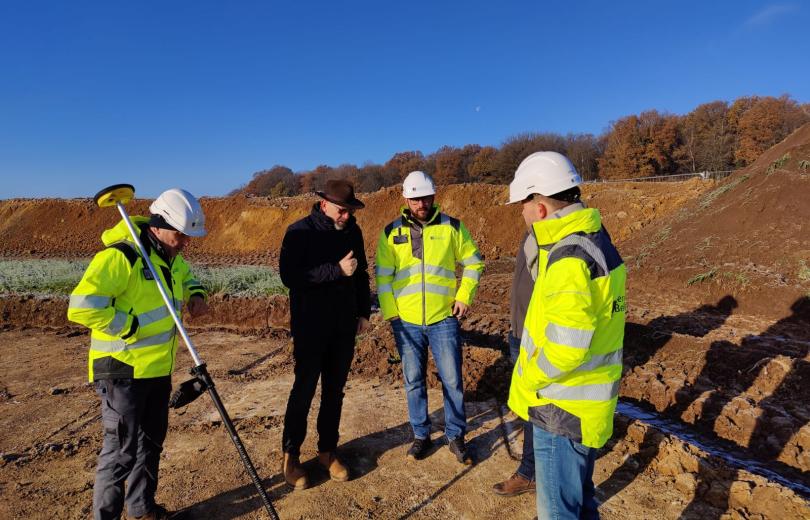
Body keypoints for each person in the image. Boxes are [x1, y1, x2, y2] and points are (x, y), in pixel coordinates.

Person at [67, 188, 210, 520]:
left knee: (150, 445)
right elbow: (81, 306)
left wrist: (197, 294)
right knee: (121, 453)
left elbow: (188, 277)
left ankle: (142, 510)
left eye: (189, 237)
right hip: (122, 370)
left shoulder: (169, 257)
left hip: (157, 369)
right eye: (180, 235)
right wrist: (127, 325)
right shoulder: (122, 257)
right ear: (157, 226)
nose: (185, 242)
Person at [506, 152, 626, 520]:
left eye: (523, 206)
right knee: (580, 503)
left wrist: (528, 377)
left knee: (559, 511)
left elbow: (566, 348)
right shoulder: (593, 239)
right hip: (582, 404)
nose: (521, 214)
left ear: (540, 207)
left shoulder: (568, 257)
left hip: (560, 407)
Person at [375, 171, 484, 464]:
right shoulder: (391, 233)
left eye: (425, 197)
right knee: (413, 380)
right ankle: (421, 435)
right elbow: (383, 277)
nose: (420, 203)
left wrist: (464, 296)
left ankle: (456, 436)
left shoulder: (453, 228)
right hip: (406, 321)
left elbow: (474, 263)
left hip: (443, 319)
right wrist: (391, 314)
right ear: (405, 199)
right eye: (415, 198)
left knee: (451, 380)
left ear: (434, 196)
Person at [279, 179, 371, 490]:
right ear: (324, 204)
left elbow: (360, 274)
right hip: (310, 327)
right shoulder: (300, 232)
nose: (346, 216)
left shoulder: (353, 232)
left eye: (349, 211)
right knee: (303, 390)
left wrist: (362, 313)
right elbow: (290, 277)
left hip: (343, 327)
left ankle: (326, 452)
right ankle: (290, 456)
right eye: (342, 210)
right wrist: (335, 270)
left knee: (335, 392)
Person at [491, 228, 537, 497]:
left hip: (536, 339)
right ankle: (531, 470)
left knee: (539, 408)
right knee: (530, 408)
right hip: (520, 334)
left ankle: (531, 472)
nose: (521, 210)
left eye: (524, 202)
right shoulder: (533, 234)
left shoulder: (563, 239)